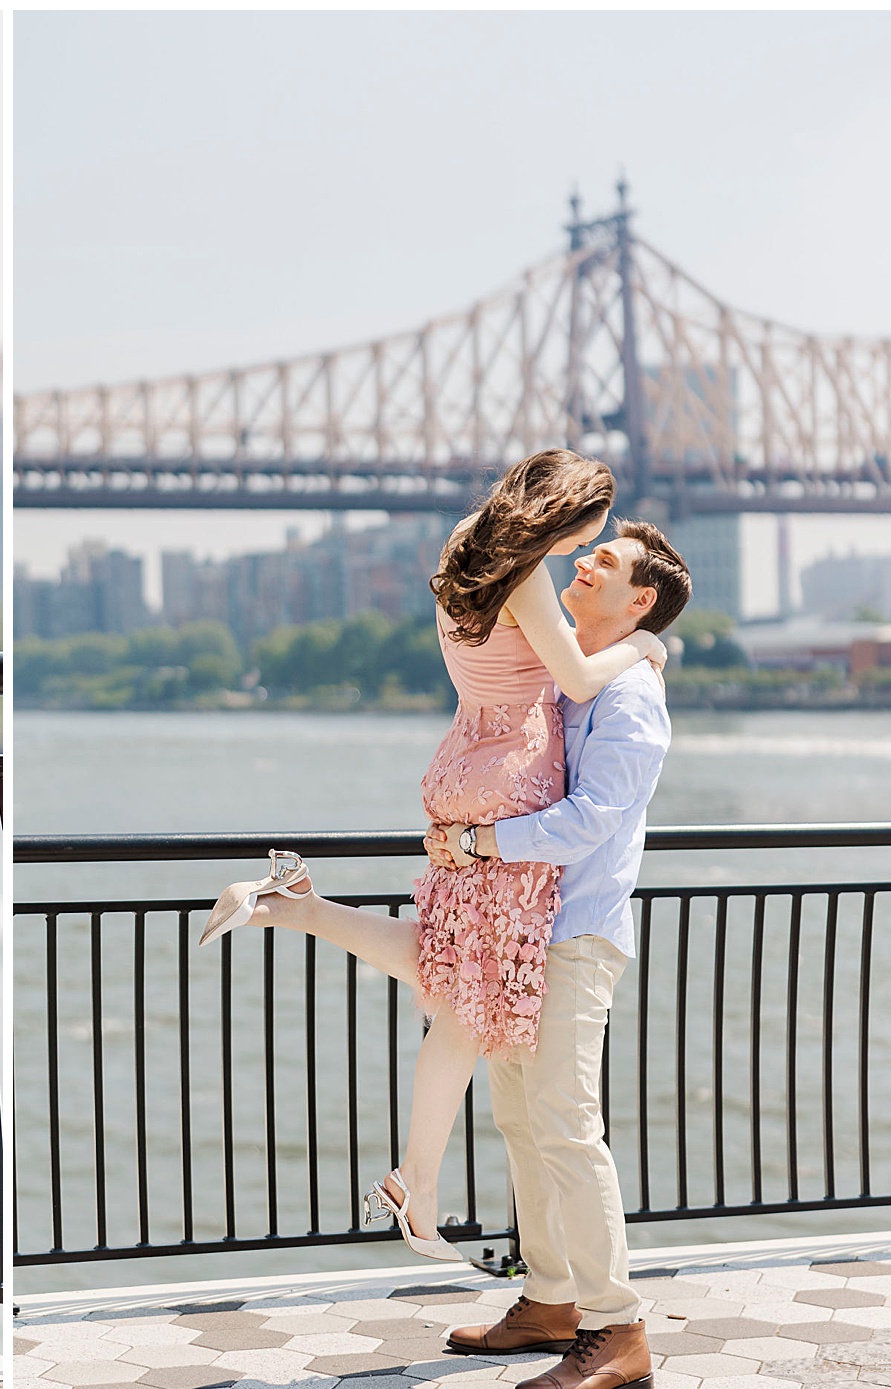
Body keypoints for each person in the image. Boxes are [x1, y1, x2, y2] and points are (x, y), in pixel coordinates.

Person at [199, 450, 666, 1261]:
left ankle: (288, 906)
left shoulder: (462, 544)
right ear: (569, 512)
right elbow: (581, 680)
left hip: (458, 762)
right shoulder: (525, 576)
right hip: (513, 778)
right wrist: (648, 647)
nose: (588, 548)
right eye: (591, 530)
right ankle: (417, 1182)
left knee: (449, 965)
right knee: (468, 1001)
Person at [436, 521, 689, 1389]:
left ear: (640, 602)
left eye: (606, 562)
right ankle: (548, 1300)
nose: (582, 562)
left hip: (575, 935)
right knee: (520, 1119)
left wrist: (477, 841)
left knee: (569, 1128)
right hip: (518, 930)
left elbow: (590, 819)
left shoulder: (629, 702)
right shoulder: (565, 677)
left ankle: (617, 1330)